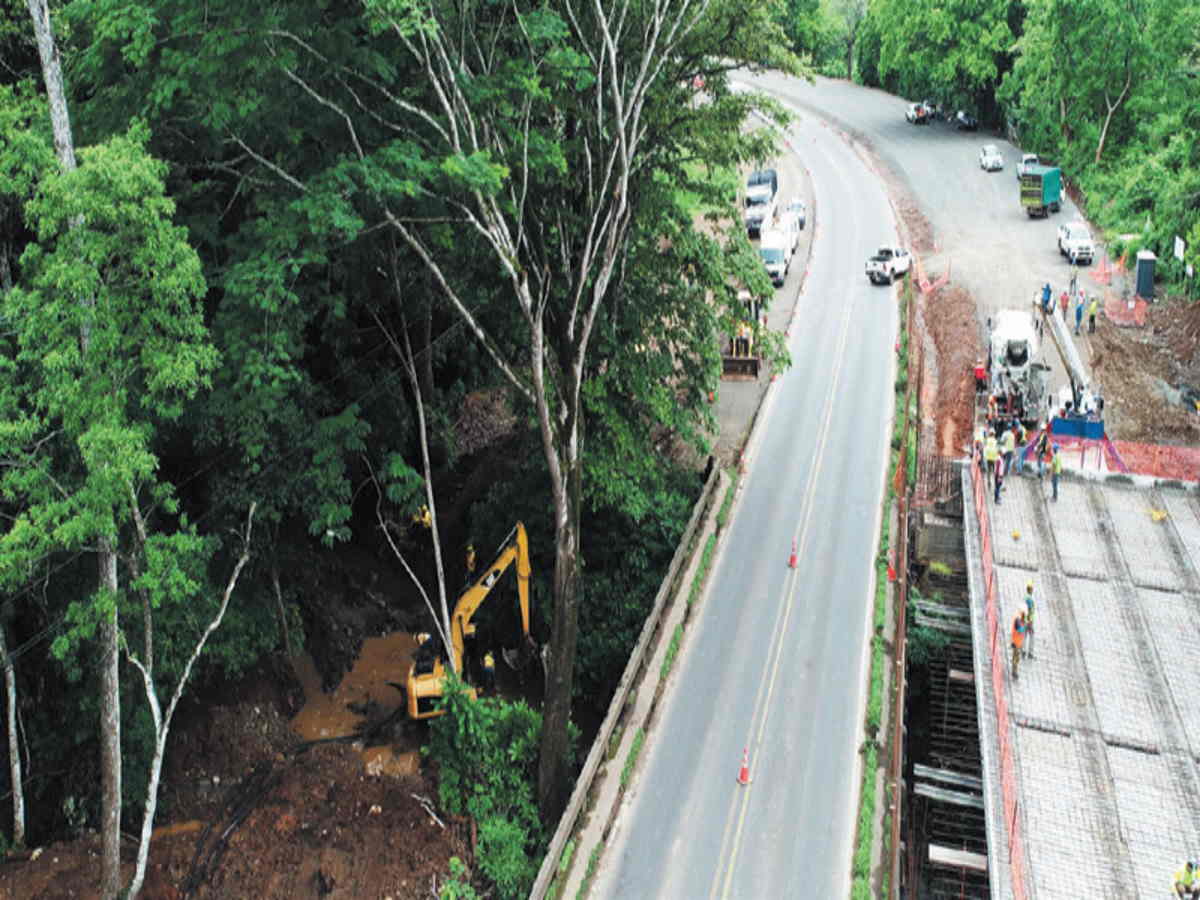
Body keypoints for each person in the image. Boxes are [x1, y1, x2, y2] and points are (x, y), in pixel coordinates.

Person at [1011, 612, 1026, 680]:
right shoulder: (1018, 625)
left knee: (1016, 658)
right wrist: (1024, 627)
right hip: (1017, 644)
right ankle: (1014, 672)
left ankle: (1014, 671)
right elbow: (1021, 630)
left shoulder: (1018, 622)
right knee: (1016, 659)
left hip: (1017, 643)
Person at [1024, 581, 1036, 659]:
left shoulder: (1025, 598)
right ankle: (1030, 652)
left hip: (1025, 619)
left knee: (1024, 635)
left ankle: (1023, 650)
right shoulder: (1030, 599)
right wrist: (1030, 621)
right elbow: (1030, 610)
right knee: (1032, 635)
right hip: (1029, 620)